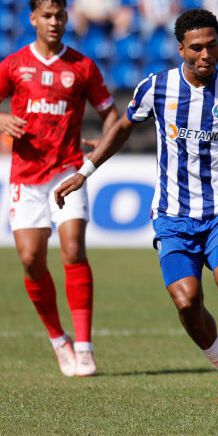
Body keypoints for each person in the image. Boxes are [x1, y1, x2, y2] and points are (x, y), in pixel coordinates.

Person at [55, 9, 218, 404]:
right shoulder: (156, 88)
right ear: (181, 49)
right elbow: (124, 127)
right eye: (196, 47)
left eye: (212, 45)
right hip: (172, 217)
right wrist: (85, 171)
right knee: (186, 299)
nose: (206, 54)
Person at [0, 0, 119, 377]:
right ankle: (59, 340)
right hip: (26, 176)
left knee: (72, 249)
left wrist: (101, 146)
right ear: (33, 18)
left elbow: (112, 116)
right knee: (31, 261)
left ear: (67, 18)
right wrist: (2, 118)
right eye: (47, 16)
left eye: (60, 15)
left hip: (67, 173)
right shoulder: (14, 65)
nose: (54, 22)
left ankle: (84, 346)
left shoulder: (82, 66)